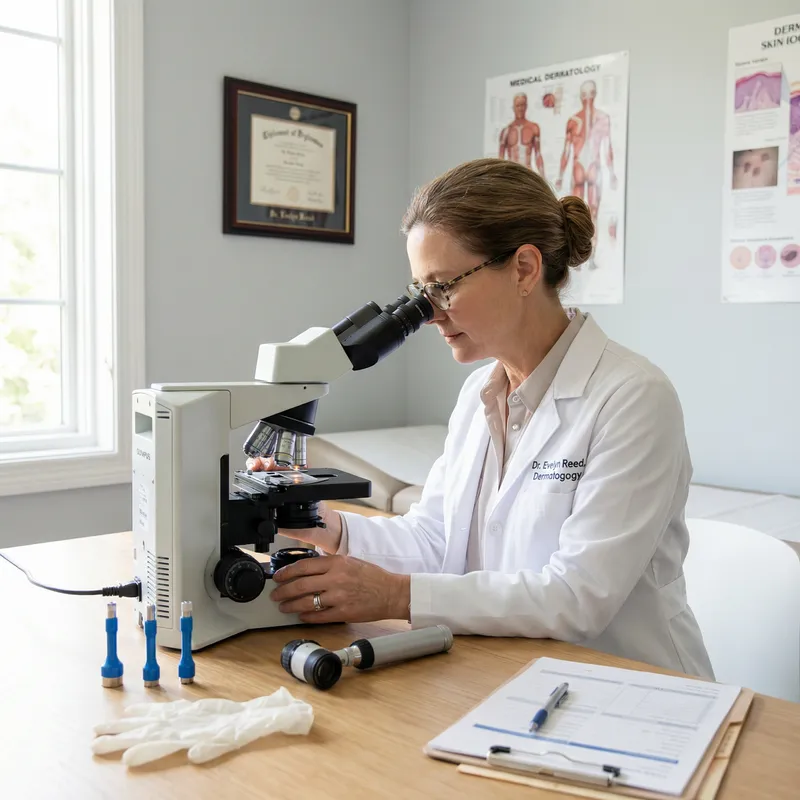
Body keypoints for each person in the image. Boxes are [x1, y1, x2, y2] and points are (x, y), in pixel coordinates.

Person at [259, 157, 713, 679]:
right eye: (419, 293)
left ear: (524, 268)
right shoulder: (480, 393)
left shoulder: (632, 397)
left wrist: (394, 595)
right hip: (510, 674)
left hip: (637, 689)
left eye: (443, 286)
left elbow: (578, 597)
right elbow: (434, 542)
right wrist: (318, 523)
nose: (429, 314)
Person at [555, 80, 617, 268]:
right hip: (584, 165)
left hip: (587, 165)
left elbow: (608, 148)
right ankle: (581, 260)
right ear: (582, 96)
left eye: (590, 94)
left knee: (589, 213)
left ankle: (589, 258)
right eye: (586, 94)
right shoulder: (577, 121)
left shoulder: (586, 120)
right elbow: (566, 151)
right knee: (577, 214)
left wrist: (612, 173)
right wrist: (559, 175)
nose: (588, 98)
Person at [498, 93, 545, 177]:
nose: (520, 109)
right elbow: (500, 158)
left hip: (528, 175)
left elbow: (538, 154)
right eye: (517, 106)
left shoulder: (533, 128)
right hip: (511, 176)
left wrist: (543, 178)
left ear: (526, 106)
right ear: (513, 108)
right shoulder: (506, 131)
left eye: (522, 105)